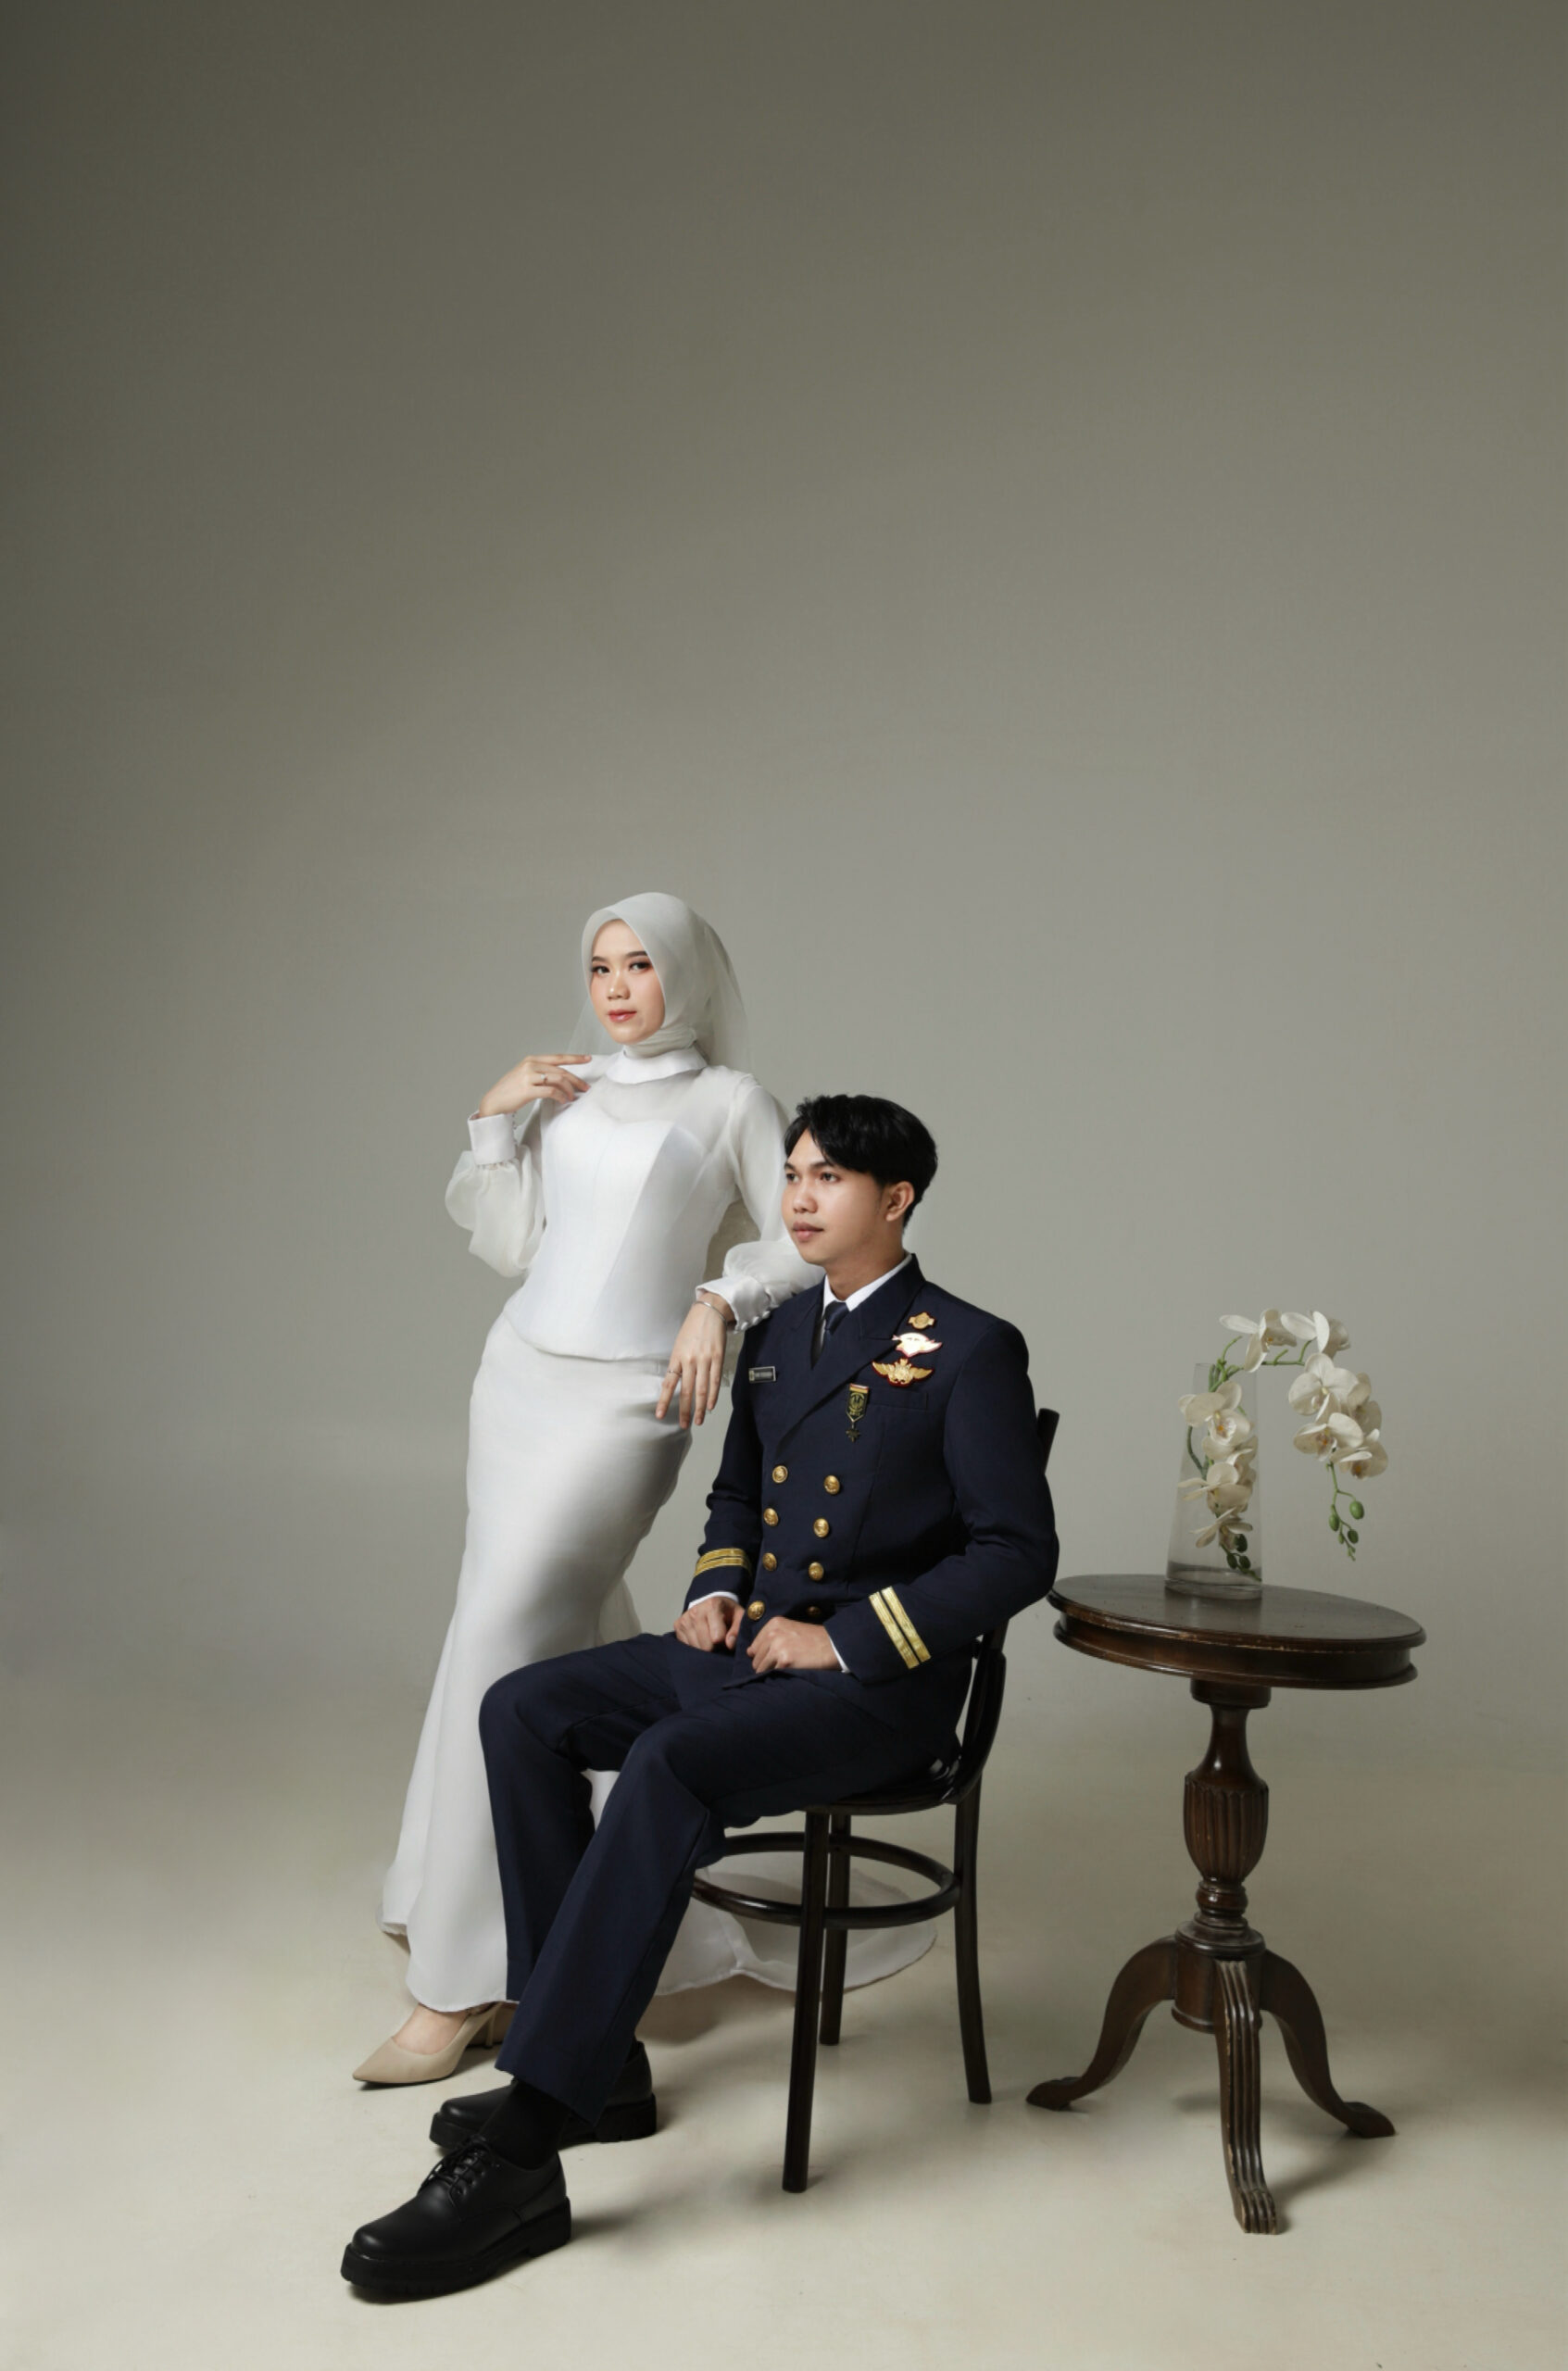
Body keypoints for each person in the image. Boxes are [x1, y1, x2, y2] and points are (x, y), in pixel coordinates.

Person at [341, 1093, 1060, 2298]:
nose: (799, 1198)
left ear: (896, 1201)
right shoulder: (777, 1335)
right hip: (746, 1650)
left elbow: (1014, 1554)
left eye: (830, 1179)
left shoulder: (969, 1346)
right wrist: (716, 1588)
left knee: (667, 1759)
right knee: (522, 1708)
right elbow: (735, 1493)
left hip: (873, 1690)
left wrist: (845, 1642)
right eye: (793, 1174)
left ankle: (528, 2142)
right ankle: (605, 2063)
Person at [358, 893, 828, 2083]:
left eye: (640, 965)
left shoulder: (731, 1100)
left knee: (506, 1628)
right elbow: (517, 1244)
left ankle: (467, 1979)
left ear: (687, 975)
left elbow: (801, 1231)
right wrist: (492, 1120)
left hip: (629, 1396)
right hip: (518, 1376)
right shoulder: (571, 1087)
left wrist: (719, 1299)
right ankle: (544, 1923)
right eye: (600, 966)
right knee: (517, 1637)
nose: (617, 988)